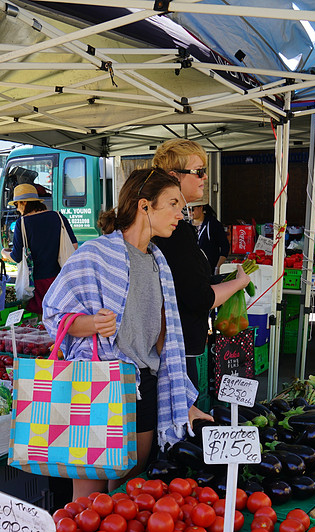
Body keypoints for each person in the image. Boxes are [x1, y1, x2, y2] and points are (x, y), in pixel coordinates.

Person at [43, 168, 212, 497]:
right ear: (145, 206)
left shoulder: (158, 260)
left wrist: (180, 397)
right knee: (90, 491)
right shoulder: (95, 255)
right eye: (173, 203)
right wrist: (92, 324)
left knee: (128, 480)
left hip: (144, 381)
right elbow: (54, 312)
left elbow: (163, 333)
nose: (182, 213)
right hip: (99, 382)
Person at [151, 139, 251, 391]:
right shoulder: (174, 231)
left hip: (168, 347)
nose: (204, 177)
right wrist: (239, 283)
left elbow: (183, 283)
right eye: (198, 171)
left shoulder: (173, 228)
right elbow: (198, 298)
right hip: (176, 352)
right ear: (174, 177)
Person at [4, 183, 77, 314]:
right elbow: (74, 246)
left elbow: (16, 257)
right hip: (60, 279)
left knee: (41, 321)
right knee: (60, 317)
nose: (17, 209)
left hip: (36, 283)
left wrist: (5, 253)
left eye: (17, 204)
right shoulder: (58, 216)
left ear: (24, 203)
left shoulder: (23, 223)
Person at [192, 203, 230, 272]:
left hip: (209, 269)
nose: (190, 213)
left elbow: (225, 247)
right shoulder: (187, 225)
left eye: (192, 209)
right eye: (187, 209)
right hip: (193, 269)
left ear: (200, 207)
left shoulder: (213, 224)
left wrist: (217, 267)